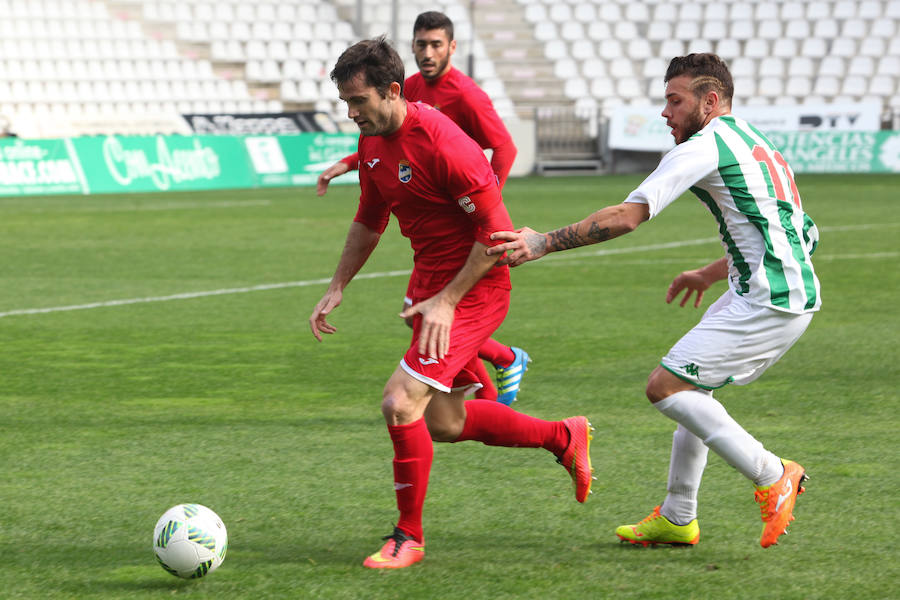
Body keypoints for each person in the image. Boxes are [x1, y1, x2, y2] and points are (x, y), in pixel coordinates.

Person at [487, 53, 820, 549]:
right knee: (693, 390)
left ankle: (773, 474)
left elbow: (626, 216)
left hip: (770, 300)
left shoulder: (703, 146)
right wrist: (713, 272)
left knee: (665, 388)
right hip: (766, 289)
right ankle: (678, 515)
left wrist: (541, 243)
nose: (665, 113)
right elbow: (799, 229)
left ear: (709, 102)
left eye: (674, 100)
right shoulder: (751, 138)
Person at [309, 37, 593, 569]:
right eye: (345, 102)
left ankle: (407, 537)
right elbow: (370, 219)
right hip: (430, 288)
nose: (351, 114)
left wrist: (447, 300)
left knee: (399, 402)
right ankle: (562, 435)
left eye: (359, 101)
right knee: (443, 422)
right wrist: (338, 284)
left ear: (392, 91)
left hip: (476, 288)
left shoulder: (445, 145)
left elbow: (498, 238)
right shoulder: (372, 144)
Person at [317, 11, 528, 406]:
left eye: (436, 44)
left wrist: (486, 199)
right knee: (420, 329)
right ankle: (492, 380)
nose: (427, 52)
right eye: (420, 44)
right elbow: (389, 139)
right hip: (429, 256)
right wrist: (352, 161)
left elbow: (503, 147)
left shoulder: (465, 96)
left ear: (452, 47)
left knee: (401, 403)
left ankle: (502, 368)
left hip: (473, 231)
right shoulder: (407, 88)